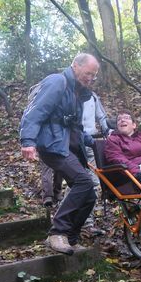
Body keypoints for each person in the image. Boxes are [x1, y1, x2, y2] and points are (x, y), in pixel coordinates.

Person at [20, 53, 99, 255]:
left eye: (94, 75)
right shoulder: (58, 82)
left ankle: (70, 239)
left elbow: (75, 127)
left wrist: (93, 142)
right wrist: (28, 141)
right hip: (52, 144)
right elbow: (35, 112)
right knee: (84, 181)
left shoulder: (78, 91)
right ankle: (57, 233)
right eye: (88, 73)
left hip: (68, 146)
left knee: (89, 195)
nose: (90, 78)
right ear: (75, 66)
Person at [79, 75, 111, 236]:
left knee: (93, 182)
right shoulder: (71, 96)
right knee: (77, 182)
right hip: (74, 144)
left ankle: (88, 222)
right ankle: (70, 218)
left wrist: (109, 132)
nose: (89, 82)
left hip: (91, 143)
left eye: (91, 80)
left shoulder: (92, 97)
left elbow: (102, 117)